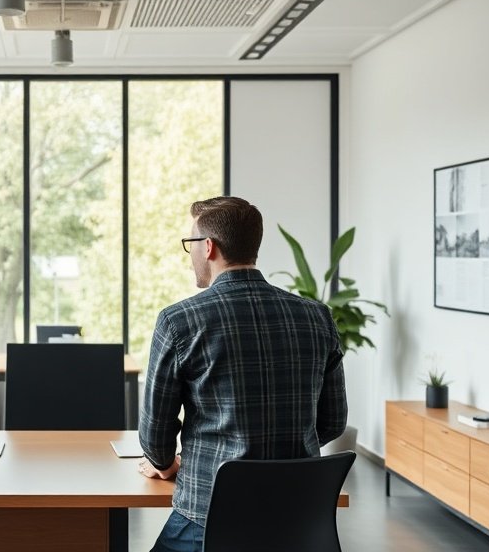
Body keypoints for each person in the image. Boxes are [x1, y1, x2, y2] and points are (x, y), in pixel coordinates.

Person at [137, 196, 347, 552]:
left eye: (190, 245)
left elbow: (156, 439)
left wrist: (165, 464)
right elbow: (332, 423)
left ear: (208, 247)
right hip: (298, 519)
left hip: (208, 517)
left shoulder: (180, 321)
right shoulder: (317, 316)